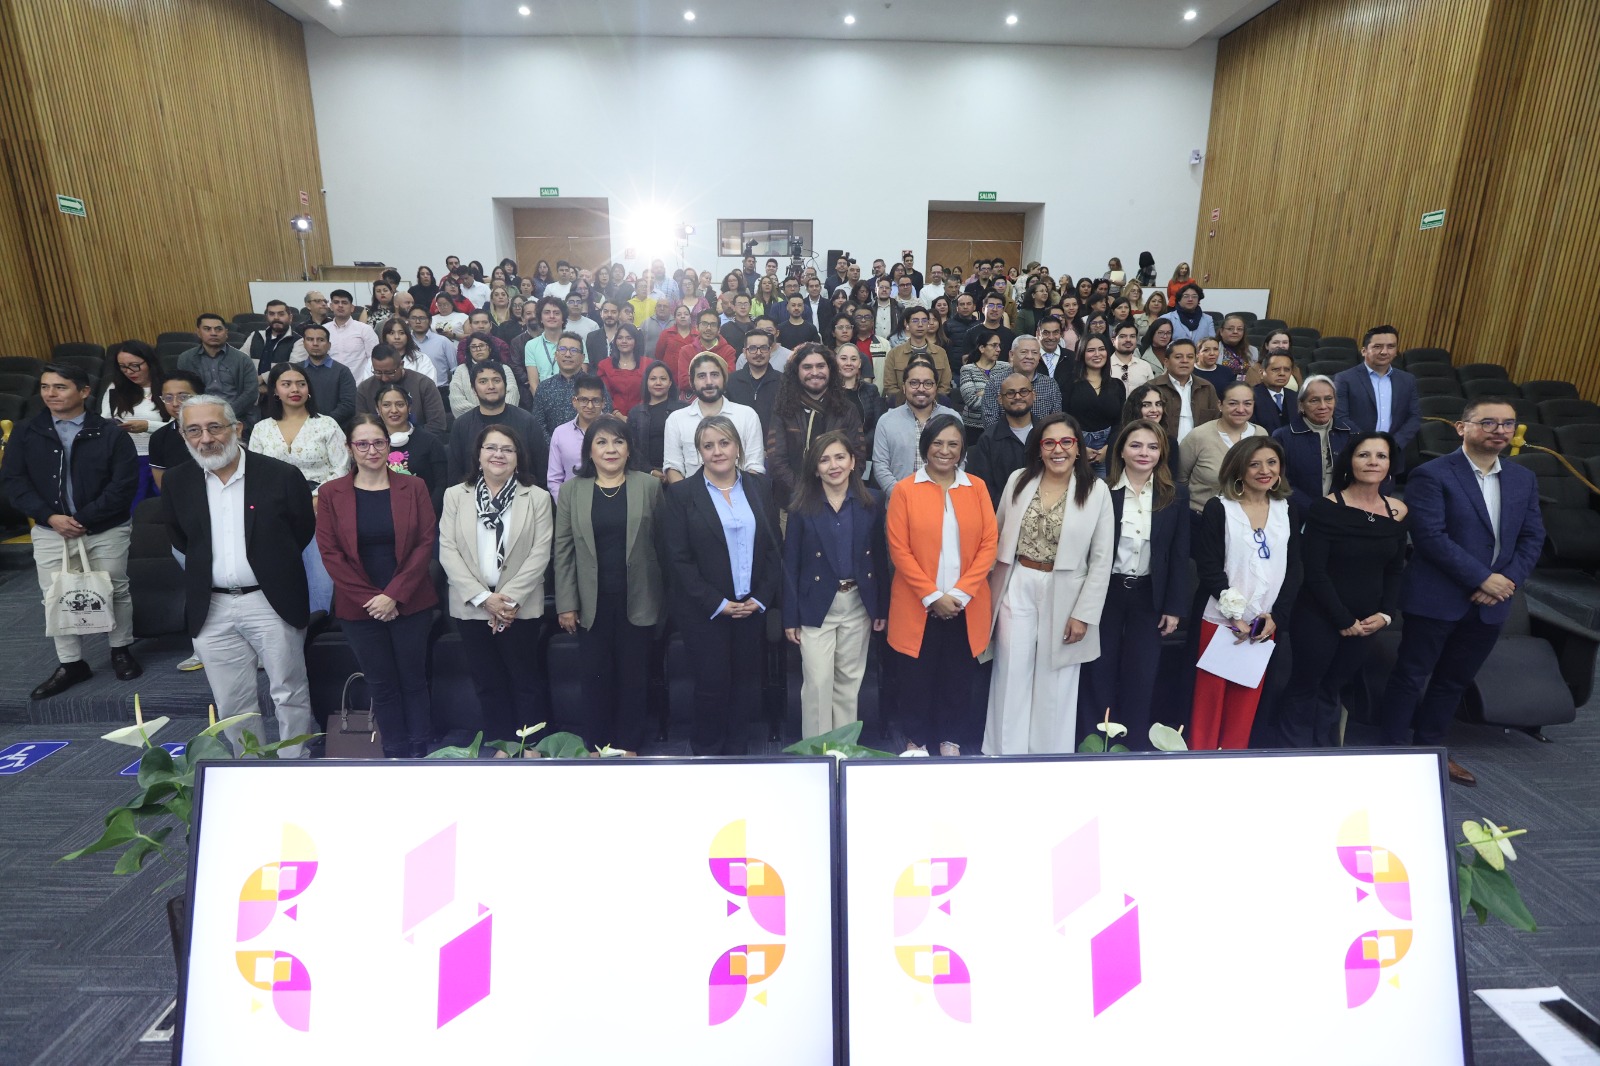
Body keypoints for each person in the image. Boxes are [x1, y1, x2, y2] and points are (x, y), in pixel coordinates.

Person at [1379, 399, 1544, 786]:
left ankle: (1430, 751)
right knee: (1412, 675)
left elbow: (1533, 537)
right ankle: (1391, 751)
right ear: (1461, 427)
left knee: (1453, 680)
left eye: (1508, 423)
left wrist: (1505, 582)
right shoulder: (1432, 474)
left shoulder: (1523, 478)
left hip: (1493, 601)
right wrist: (1482, 579)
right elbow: (1430, 538)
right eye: (1488, 422)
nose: (1500, 430)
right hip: (1437, 597)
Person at [162, 395, 315, 756]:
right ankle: (249, 768)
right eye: (194, 430)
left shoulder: (281, 475)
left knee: (289, 692)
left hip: (270, 600)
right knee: (232, 702)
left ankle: (295, 765)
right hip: (211, 606)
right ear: (183, 435)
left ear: (237, 429)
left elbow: (301, 531)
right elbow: (181, 539)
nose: (205, 439)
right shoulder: (177, 481)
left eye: (214, 427)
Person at [0, 363, 141, 698]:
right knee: (55, 594)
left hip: (104, 527)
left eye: (60, 387)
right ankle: (71, 663)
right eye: (45, 387)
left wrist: (83, 518)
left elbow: (123, 485)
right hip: (51, 529)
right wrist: (50, 517)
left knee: (114, 588)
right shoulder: (27, 431)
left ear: (84, 391)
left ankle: (120, 649)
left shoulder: (110, 433)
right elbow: (14, 481)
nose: (50, 394)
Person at [982, 413, 1113, 755]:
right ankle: (1004, 755)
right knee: (1011, 670)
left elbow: (1102, 559)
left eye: (1067, 442)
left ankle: (1050, 759)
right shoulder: (1018, 480)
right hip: (1019, 581)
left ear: (1078, 448)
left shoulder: (1096, 490)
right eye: (1049, 442)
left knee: (1056, 680)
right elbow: (996, 533)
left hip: (1067, 590)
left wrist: (1084, 614)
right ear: (1039, 449)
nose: (1058, 449)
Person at [658, 415, 783, 755]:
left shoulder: (759, 487)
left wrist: (760, 598)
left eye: (724, 443)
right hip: (706, 612)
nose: (717, 452)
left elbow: (773, 548)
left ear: (738, 447)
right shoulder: (681, 494)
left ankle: (738, 755)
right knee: (711, 686)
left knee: (745, 686)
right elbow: (678, 560)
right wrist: (717, 603)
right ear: (699, 452)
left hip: (750, 608)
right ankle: (707, 755)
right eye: (708, 445)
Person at [315, 415, 439, 757]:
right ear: (349, 448)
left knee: (414, 680)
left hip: (411, 600)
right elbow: (330, 553)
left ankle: (421, 751)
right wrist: (374, 600)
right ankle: (394, 752)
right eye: (362, 444)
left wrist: (393, 595)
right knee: (381, 683)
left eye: (379, 443)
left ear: (389, 445)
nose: (371, 450)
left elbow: (425, 542)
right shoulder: (331, 493)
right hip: (360, 606)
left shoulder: (414, 487)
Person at [1276, 433, 1409, 749]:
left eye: (1381, 456)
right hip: (1319, 614)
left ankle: (1325, 756)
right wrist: (1342, 619)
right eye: (1364, 455)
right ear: (1350, 461)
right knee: (1306, 686)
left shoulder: (1399, 511)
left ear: (1390, 464)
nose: (1373, 462)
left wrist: (1386, 615)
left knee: (1333, 688)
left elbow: (1395, 569)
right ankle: (1290, 756)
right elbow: (1314, 570)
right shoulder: (1326, 507)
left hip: (1368, 621)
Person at [887, 414, 998, 756]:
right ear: (926, 446)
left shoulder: (976, 487)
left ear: (962, 448)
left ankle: (951, 739)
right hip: (918, 604)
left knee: (958, 677)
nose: (945, 451)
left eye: (953, 444)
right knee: (915, 678)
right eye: (937, 443)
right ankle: (916, 740)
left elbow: (989, 544)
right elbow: (899, 549)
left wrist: (959, 594)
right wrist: (933, 596)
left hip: (966, 604)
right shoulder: (905, 489)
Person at [552, 415, 664, 751]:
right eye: (601, 442)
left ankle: (629, 744)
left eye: (618, 441)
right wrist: (566, 603)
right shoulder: (572, 490)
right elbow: (563, 549)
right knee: (594, 677)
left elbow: (663, 544)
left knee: (634, 677)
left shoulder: (649, 486)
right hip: (591, 602)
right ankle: (596, 745)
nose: (610, 449)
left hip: (639, 597)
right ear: (589, 451)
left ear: (629, 449)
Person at [438, 425, 554, 744]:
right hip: (472, 606)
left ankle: (531, 745)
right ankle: (501, 744)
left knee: (525, 680)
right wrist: (483, 598)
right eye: (491, 448)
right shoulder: (455, 496)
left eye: (507, 449)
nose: (498, 454)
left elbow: (540, 551)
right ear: (478, 455)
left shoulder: (537, 497)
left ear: (518, 457)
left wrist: (507, 600)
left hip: (519, 606)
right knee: (487, 682)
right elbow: (447, 550)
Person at [1082, 420, 1189, 750]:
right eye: (1136, 445)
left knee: (1142, 675)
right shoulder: (1102, 490)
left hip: (1148, 595)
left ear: (1162, 453)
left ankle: (1134, 748)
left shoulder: (1174, 494)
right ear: (1121, 451)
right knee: (1099, 671)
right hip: (1107, 592)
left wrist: (1174, 607)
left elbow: (1179, 552)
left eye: (1153, 447)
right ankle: (1095, 746)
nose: (1144, 453)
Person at [1191, 437, 1301, 750]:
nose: (1265, 470)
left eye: (1271, 463)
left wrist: (1276, 617)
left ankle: (1233, 766)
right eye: (1255, 464)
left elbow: (1295, 567)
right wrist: (1235, 615)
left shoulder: (1286, 509)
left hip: (1264, 625)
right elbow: (1209, 568)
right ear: (1239, 469)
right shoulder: (1219, 508)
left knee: (1245, 706)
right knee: (1208, 707)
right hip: (1220, 622)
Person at [782, 430, 888, 738]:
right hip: (816, 606)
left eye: (840, 457)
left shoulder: (872, 502)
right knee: (817, 683)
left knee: (848, 684)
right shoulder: (801, 507)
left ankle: (842, 753)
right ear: (815, 469)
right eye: (824, 460)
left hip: (857, 603)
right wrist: (790, 617)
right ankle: (818, 755)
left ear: (853, 462)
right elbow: (790, 564)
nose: (833, 466)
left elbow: (879, 558)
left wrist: (881, 607)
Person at [763, 343, 866, 506]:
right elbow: (777, 462)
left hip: (839, 501)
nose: (815, 372)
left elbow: (858, 457)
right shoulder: (783, 409)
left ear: (830, 369)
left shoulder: (847, 409)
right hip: (793, 502)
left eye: (820, 366)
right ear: (796, 371)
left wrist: (833, 490)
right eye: (807, 367)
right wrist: (805, 492)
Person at [661, 353, 764, 481]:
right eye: (701, 376)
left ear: (724, 379)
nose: (709, 382)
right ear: (692, 382)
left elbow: (755, 466)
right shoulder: (676, 419)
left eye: (714, 375)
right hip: (691, 493)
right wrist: (687, 493)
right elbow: (673, 467)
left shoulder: (747, 416)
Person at [447, 360, 550, 486]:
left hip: (523, 492)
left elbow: (542, 468)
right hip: (474, 494)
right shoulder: (461, 425)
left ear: (505, 385)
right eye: (483, 381)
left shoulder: (527, 421)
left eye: (496, 380)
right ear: (474, 389)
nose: (491, 386)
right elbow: (455, 475)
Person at [249, 363, 350, 489]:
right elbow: (255, 471)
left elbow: (342, 468)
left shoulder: (327, 424)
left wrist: (317, 496)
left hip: (321, 495)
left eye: (301, 384)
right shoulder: (261, 429)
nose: (295, 389)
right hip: (274, 495)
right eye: (286, 384)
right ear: (275, 390)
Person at [1334, 325, 1422, 465]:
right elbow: (1340, 417)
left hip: (1392, 455)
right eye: (1377, 346)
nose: (1384, 352)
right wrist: (1368, 443)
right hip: (1354, 453)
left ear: (1396, 351)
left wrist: (1393, 444)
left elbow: (1414, 417)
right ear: (1364, 351)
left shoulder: (1407, 380)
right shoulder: (1345, 379)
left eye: (1391, 346)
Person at [1273, 375, 1357, 517]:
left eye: (1328, 399)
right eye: (1314, 400)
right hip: (1298, 513)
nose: (1323, 406)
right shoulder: (1282, 437)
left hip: (1344, 512)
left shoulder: (1350, 432)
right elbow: (1280, 480)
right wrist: (1313, 509)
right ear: (1301, 405)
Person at [1179, 381, 1267, 515]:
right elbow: (1180, 479)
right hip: (1202, 516)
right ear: (1220, 404)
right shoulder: (1199, 436)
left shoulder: (1261, 434)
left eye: (1247, 403)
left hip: (1247, 517)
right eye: (1233, 403)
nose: (1241, 409)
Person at [873, 361, 959, 493]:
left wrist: (942, 494)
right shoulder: (886, 421)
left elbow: (960, 461)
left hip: (944, 498)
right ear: (904, 387)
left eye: (928, 383)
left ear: (936, 387)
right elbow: (880, 466)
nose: (921, 389)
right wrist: (902, 496)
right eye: (914, 383)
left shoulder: (952, 418)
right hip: (899, 499)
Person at [101, 341, 165, 508]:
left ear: (149, 362)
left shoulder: (167, 387)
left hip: (160, 457)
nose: (129, 372)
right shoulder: (115, 389)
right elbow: (104, 419)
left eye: (135, 366)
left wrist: (147, 426)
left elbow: (180, 426)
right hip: (127, 458)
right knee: (134, 510)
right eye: (123, 367)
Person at [371, 381, 448, 515]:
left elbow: (441, 485)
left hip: (424, 514)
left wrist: (425, 514)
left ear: (409, 407)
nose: (394, 410)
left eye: (400, 404)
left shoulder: (430, 442)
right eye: (386, 405)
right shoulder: (371, 444)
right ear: (378, 409)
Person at [966, 372, 1036, 509]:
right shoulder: (988, 440)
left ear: (1033, 395)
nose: (1017, 397)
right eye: (1010, 393)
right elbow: (984, 488)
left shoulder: (1046, 434)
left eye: (1023, 391)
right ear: (1000, 399)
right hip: (1003, 513)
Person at [1062, 335, 1125, 475]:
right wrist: (1079, 447)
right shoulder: (1069, 383)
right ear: (1082, 353)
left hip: (1107, 448)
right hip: (1076, 446)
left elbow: (1120, 421)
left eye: (1101, 349)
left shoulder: (1117, 385)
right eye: (1091, 350)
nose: (1097, 354)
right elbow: (1064, 418)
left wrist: (1109, 448)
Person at [177, 313, 257, 420]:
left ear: (226, 333)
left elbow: (251, 393)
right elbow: (184, 391)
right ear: (199, 333)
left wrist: (226, 414)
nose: (213, 333)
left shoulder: (242, 359)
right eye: (207, 329)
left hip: (237, 415)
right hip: (199, 416)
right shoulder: (186, 359)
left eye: (218, 329)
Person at [534, 331, 611, 436]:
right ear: (556, 355)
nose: (568, 354)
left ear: (582, 357)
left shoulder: (596, 385)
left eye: (573, 350)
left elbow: (606, 419)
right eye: (562, 349)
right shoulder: (544, 387)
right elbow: (538, 425)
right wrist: (555, 444)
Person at [546, 374, 609, 500]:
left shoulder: (615, 431)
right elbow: (554, 479)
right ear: (574, 401)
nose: (590, 406)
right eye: (584, 400)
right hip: (571, 502)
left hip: (609, 500)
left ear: (603, 403)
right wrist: (566, 506)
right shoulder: (560, 433)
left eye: (595, 401)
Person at [360, 344, 447, 433]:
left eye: (389, 372)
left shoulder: (423, 385)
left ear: (401, 364)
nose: (384, 378)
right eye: (378, 372)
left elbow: (437, 425)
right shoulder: (365, 389)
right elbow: (361, 427)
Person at [980, 336, 1063, 428]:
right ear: (1012, 355)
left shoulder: (1050, 384)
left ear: (1039, 357)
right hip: (1003, 436)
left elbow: (1056, 421)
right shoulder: (995, 384)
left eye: (1034, 353)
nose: (1029, 357)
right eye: (1024, 352)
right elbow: (990, 423)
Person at [1151, 339, 1218, 444]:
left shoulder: (1207, 388)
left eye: (1190, 357)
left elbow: (1216, 421)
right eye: (1178, 357)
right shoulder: (1152, 387)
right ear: (1166, 362)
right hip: (1162, 447)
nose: (1185, 361)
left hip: (1199, 448)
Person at [628, 362, 686, 481]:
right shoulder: (635, 413)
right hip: (645, 475)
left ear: (670, 382)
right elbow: (631, 447)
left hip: (681, 474)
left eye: (663, 379)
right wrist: (651, 471)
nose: (658, 383)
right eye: (653, 379)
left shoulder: (683, 409)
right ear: (646, 382)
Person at [294, 322, 359, 427]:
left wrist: (323, 422)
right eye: (310, 339)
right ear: (304, 344)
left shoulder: (342, 371)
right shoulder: (295, 371)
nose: (315, 344)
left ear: (329, 345)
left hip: (335, 428)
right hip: (300, 427)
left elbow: (348, 405)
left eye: (321, 340)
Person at [449, 332, 529, 415]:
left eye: (482, 345)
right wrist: (482, 415)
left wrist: (496, 414)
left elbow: (512, 394)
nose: (478, 349)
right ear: (469, 350)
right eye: (474, 347)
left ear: (490, 348)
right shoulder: (461, 370)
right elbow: (456, 400)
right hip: (471, 419)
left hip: (503, 418)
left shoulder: (504, 368)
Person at [148, 371, 202, 491]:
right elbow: (163, 485)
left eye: (183, 397)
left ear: (201, 396)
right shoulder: (159, 438)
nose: (175, 403)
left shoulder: (220, 430)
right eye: (168, 398)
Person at [834, 343, 886, 466]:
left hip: (865, 455)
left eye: (853, 359)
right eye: (843, 358)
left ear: (860, 363)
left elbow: (878, 425)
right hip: (834, 455)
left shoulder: (871, 390)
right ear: (836, 362)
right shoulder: (828, 391)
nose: (848, 363)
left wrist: (859, 446)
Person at [726, 329, 784, 430]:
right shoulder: (731, 381)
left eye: (764, 348)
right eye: (752, 348)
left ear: (770, 351)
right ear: (745, 352)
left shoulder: (783, 381)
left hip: (774, 438)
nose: (758, 353)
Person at [958, 328, 1007, 444]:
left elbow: (1009, 399)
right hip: (973, 428)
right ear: (982, 348)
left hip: (1000, 426)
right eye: (994, 345)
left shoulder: (1006, 368)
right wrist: (999, 395)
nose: (998, 349)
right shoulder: (967, 369)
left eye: (999, 345)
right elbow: (972, 402)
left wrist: (983, 392)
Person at [238, 300, 300, 392]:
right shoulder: (255, 336)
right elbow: (241, 361)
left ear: (290, 317)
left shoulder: (298, 341)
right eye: (271, 314)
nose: (276, 318)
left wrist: (262, 379)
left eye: (281, 314)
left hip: (282, 392)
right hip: (251, 390)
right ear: (266, 317)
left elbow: (293, 368)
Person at [321, 289, 380, 383]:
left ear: (352, 308)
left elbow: (374, 359)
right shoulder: (323, 330)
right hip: (330, 384)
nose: (340, 305)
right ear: (331, 306)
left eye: (344, 302)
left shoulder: (365, 330)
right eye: (336, 302)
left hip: (359, 385)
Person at [1252, 352, 1298, 435]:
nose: (1282, 373)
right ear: (1261, 373)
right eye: (1275, 369)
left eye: (1287, 370)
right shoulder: (1251, 397)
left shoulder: (1296, 397)